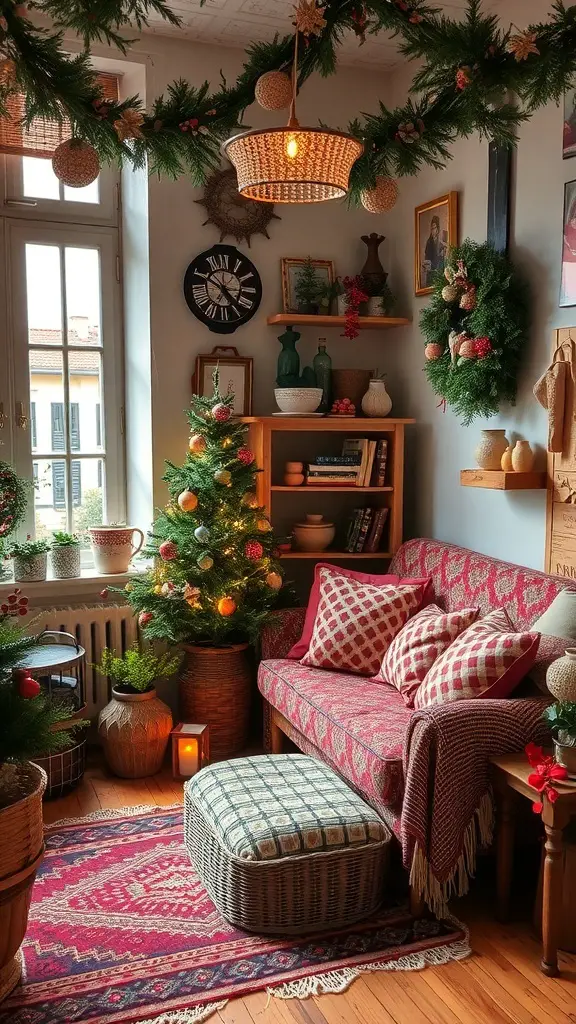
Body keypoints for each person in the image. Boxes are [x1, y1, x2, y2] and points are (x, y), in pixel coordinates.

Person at [421, 214, 446, 286]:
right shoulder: (429, 242)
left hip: (439, 272)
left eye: (434, 228)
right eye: (432, 228)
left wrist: (443, 253)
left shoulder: (440, 242)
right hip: (431, 271)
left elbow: (442, 260)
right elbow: (428, 258)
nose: (433, 230)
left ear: (438, 229)